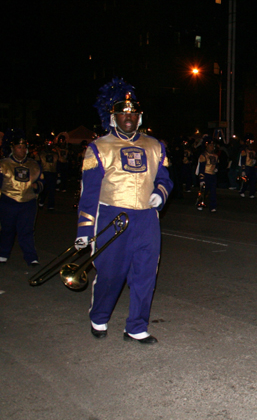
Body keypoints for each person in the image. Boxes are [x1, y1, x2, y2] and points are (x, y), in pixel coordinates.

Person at [75, 78, 173, 344]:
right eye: (122, 113)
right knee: (110, 273)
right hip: (112, 218)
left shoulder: (155, 145)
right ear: (113, 117)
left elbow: (165, 178)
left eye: (132, 113)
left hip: (146, 219)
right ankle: (99, 315)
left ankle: (137, 325)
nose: (128, 117)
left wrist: (159, 194)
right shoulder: (99, 147)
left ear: (139, 118)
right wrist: (85, 229)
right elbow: (89, 193)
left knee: (145, 274)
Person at [0, 134, 43, 266]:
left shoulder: (33, 165)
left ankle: (31, 257)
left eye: (24, 147)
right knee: (7, 230)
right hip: (9, 201)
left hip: (28, 203)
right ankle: (3, 253)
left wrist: (37, 186)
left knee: (27, 231)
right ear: (13, 148)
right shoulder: (4, 164)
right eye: (19, 147)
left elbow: (42, 181)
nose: (22, 150)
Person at [196, 136, 219, 212]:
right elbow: (201, 168)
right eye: (210, 145)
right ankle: (200, 203)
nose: (212, 147)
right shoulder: (203, 156)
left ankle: (213, 206)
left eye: (213, 145)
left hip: (213, 175)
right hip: (206, 175)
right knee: (203, 191)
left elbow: (217, 165)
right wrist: (202, 178)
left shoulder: (215, 156)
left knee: (213, 191)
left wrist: (216, 169)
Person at [38, 137, 59, 210]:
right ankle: (42, 201)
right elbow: (38, 164)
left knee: (52, 190)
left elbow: (57, 165)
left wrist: (58, 175)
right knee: (45, 189)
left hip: (52, 173)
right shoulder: (41, 154)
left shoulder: (55, 154)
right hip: (44, 173)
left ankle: (51, 205)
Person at [239, 133, 257, 198]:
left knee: (253, 180)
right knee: (245, 181)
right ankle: (242, 191)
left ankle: (252, 193)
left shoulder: (253, 152)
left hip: (252, 167)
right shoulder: (244, 151)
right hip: (247, 167)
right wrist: (243, 169)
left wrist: (255, 161)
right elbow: (243, 161)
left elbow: (255, 158)